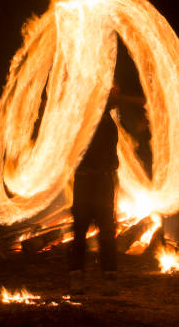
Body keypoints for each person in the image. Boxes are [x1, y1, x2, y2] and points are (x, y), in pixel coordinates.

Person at [69, 82, 142, 296]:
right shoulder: (84, 122)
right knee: (87, 233)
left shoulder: (99, 122)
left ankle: (101, 278)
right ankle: (82, 278)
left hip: (99, 183)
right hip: (90, 182)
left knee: (102, 234)